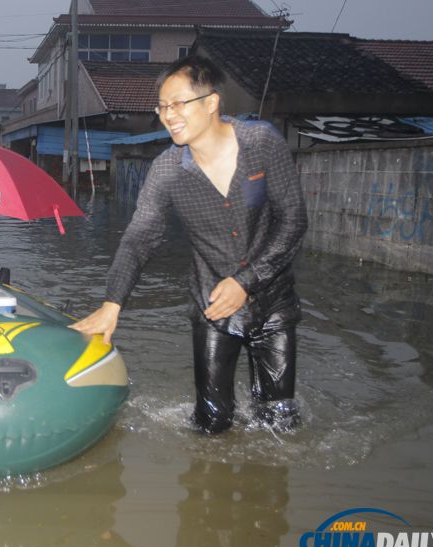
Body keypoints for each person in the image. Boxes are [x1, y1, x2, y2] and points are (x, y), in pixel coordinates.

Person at [71, 55, 308, 434]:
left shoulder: (261, 143)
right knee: (212, 422)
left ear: (211, 102)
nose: (169, 115)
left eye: (178, 103)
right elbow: (139, 238)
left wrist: (245, 281)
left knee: (278, 422)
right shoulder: (166, 171)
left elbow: (293, 220)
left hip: (273, 301)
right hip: (213, 306)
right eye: (162, 107)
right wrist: (112, 304)